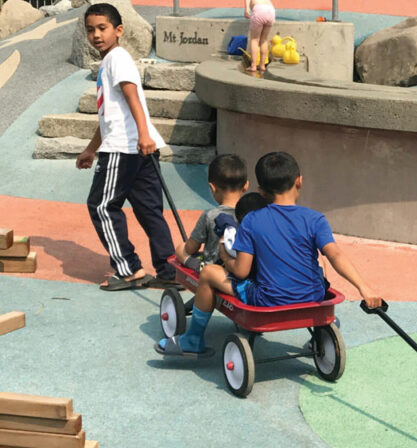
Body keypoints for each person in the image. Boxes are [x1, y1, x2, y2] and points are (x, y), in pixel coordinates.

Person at [157, 151, 383, 356]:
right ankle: (321, 331)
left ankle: (193, 339)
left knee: (208, 274)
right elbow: (336, 256)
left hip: (269, 299)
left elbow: (243, 272)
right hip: (315, 297)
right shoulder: (315, 219)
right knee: (319, 262)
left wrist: (226, 258)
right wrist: (364, 287)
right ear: (299, 181)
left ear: (261, 191)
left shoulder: (253, 220)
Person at [76, 2, 175, 291]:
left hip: (125, 147)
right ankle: (168, 269)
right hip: (137, 146)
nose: (96, 35)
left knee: (102, 206)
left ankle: (129, 269)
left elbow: (133, 97)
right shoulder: (112, 61)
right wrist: (91, 149)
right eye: (90, 30)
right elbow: (109, 115)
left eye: (103, 28)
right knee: (149, 210)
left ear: (118, 30)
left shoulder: (116, 58)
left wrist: (144, 134)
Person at [175, 154, 248, 272]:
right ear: (246, 186)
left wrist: (186, 249)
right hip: (242, 266)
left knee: (180, 249)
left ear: (212, 188)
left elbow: (190, 248)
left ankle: (195, 264)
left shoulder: (210, 215)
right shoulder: (252, 215)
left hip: (214, 268)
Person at [243, 0, 275, 73]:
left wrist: (246, 9)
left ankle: (253, 65)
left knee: (254, 39)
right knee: (264, 40)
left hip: (259, 10)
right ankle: (262, 65)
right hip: (271, 10)